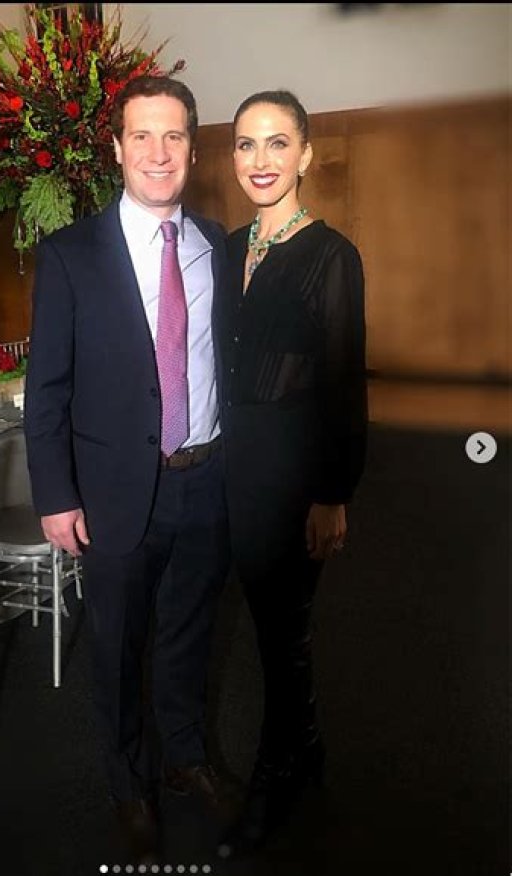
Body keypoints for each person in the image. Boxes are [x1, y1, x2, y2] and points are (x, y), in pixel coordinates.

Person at [24, 75, 231, 865]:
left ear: (193, 148)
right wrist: (56, 495)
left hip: (206, 481)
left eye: (173, 135)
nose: (158, 151)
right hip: (113, 492)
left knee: (190, 634)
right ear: (115, 148)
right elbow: (47, 389)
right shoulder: (70, 255)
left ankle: (184, 757)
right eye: (141, 135)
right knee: (116, 649)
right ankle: (128, 785)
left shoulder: (216, 245)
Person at [216, 90, 368, 859]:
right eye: (246, 144)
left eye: (278, 143)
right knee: (275, 628)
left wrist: (332, 494)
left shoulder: (332, 257)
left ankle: (274, 774)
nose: (261, 160)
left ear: (305, 154)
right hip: (234, 467)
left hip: (294, 472)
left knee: (281, 633)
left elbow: (343, 381)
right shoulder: (226, 249)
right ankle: (305, 747)